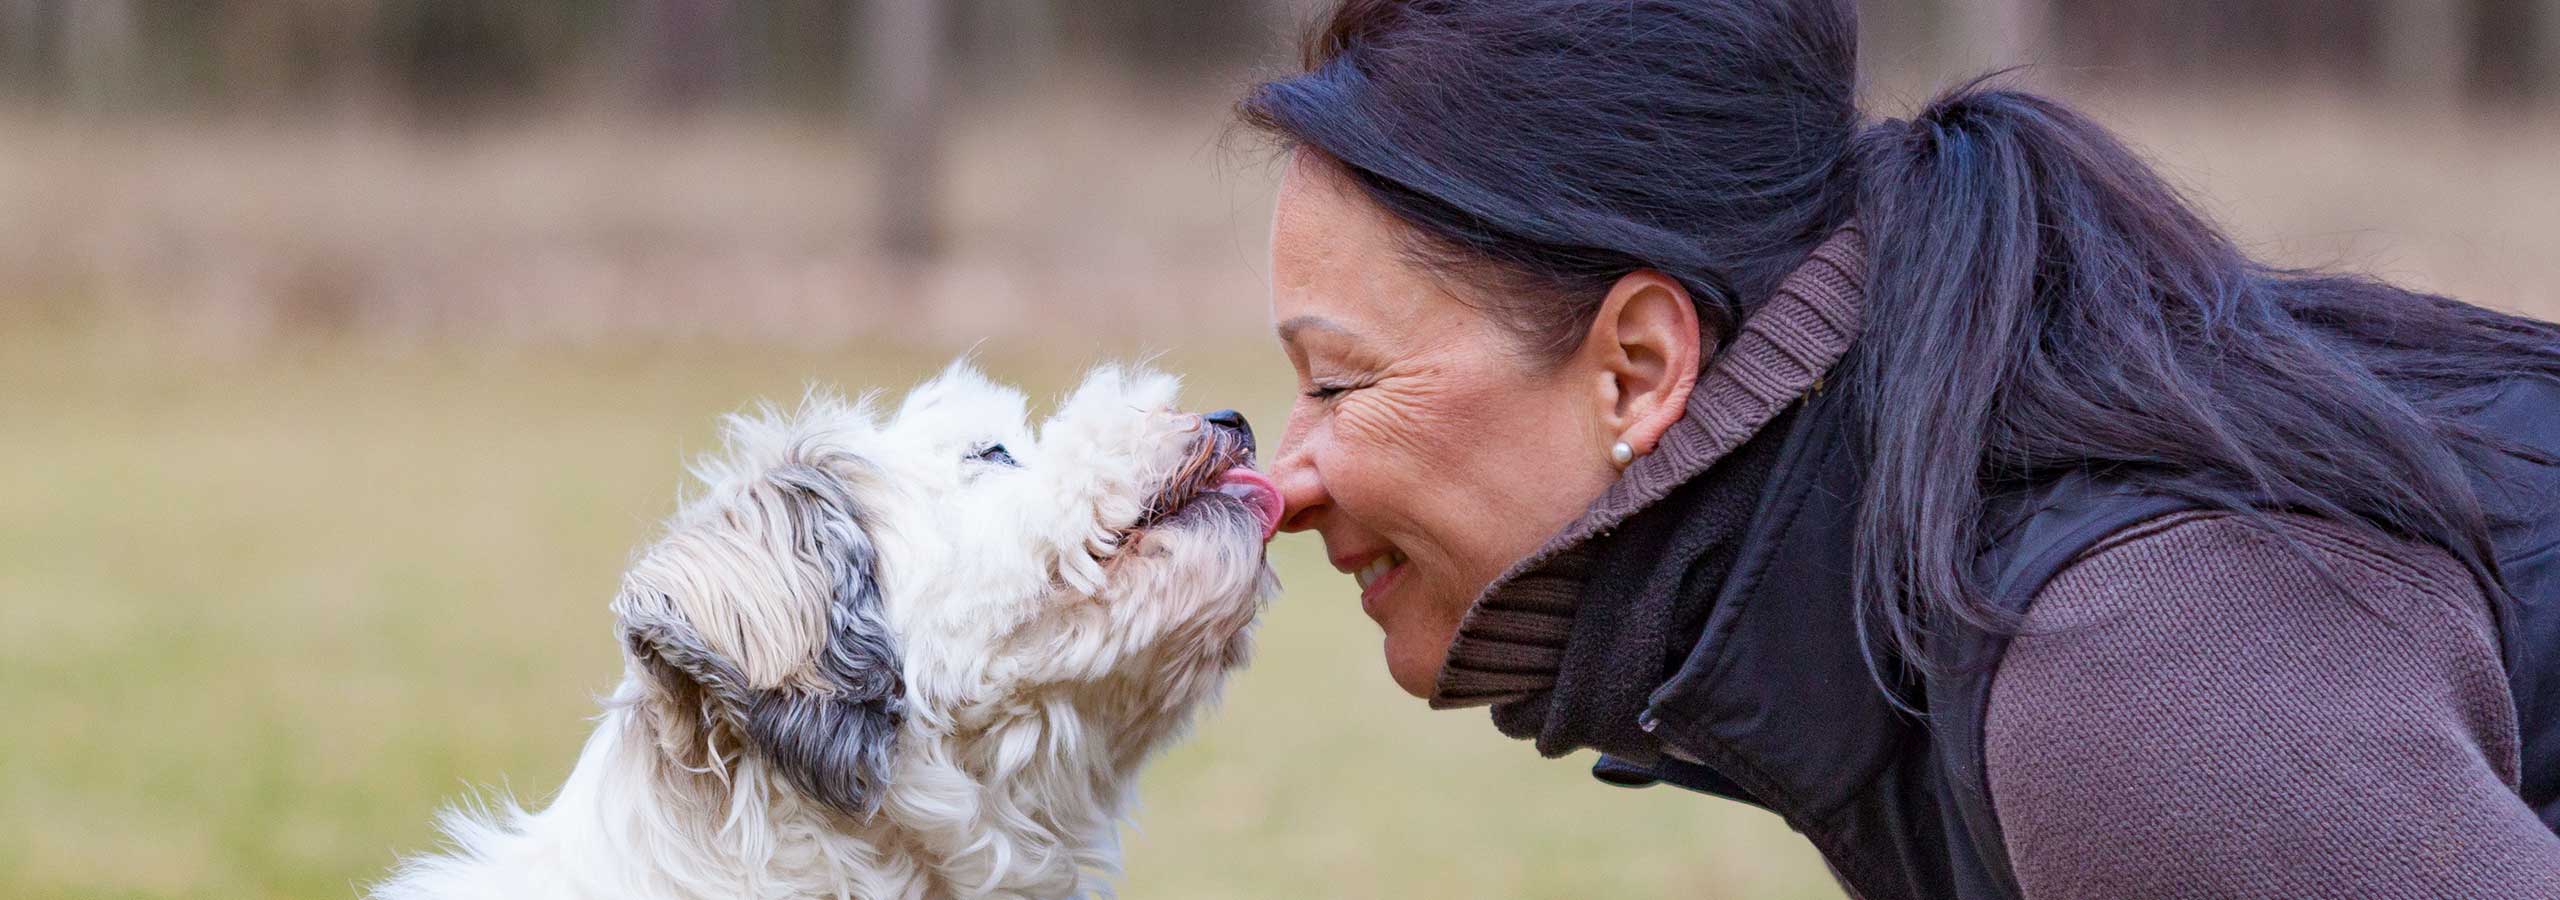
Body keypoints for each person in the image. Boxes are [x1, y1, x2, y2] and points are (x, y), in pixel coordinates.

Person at [1240, 1, 2560, 897]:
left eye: (1344, 383)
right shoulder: (1908, 558)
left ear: (1639, 368)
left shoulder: (2126, 682)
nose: (1280, 484)